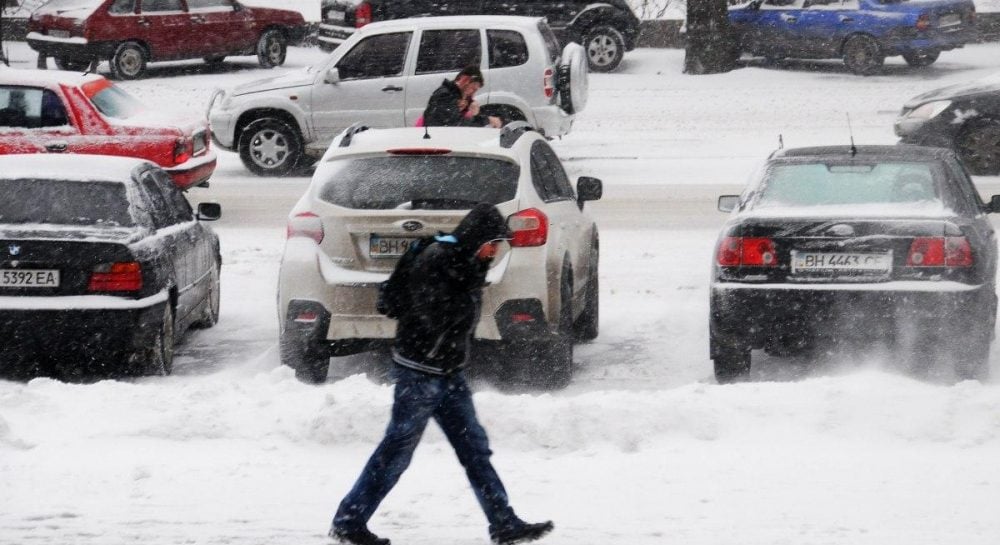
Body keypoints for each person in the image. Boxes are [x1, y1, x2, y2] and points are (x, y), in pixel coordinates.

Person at [330, 204, 553, 545]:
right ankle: (348, 522)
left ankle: (503, 523)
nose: (494, 251)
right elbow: (428, 313)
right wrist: (444, 329)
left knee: (475, 450)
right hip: (419, 375)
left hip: (448, 375)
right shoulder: (439, 261)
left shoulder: (466, 263)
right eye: (492, 243)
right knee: (395, 453)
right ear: (477, 239)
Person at [421, 65, 503, 128]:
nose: (473, 94)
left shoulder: (461, 95)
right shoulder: (444, 96)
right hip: (437, 142)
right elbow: (458, 124)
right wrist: (487, 120)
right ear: (464, 80)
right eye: (473, 88)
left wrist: (477, 114)